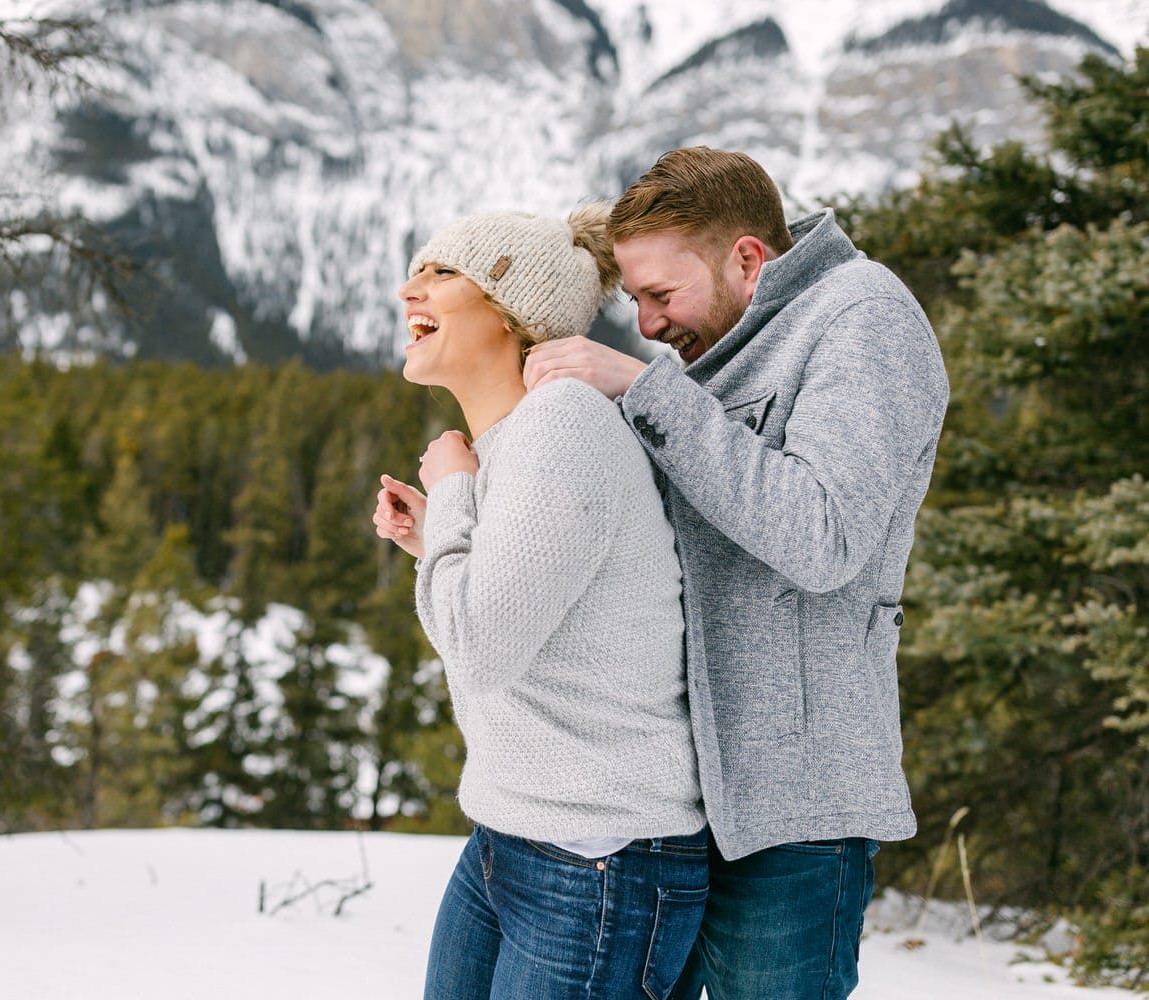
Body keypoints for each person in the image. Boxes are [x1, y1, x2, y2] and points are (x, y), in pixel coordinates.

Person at [519, 147, 951, 999]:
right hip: (671, 801)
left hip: (793, 805)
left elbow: (821, 535)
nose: (644, 324)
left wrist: (647, 392)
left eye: (659, 296)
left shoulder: (862, 320)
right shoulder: (723, 337)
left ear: (748, 257)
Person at [372, 206, 707, 1000]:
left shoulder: (562, 428)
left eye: (441, 273)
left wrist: (452, 491)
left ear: (512, 309)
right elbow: (532, 613)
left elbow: (480, 649)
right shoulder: (520, 440)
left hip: (598, 856)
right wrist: (440, 539)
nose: (406, 288)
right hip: (516, 832)